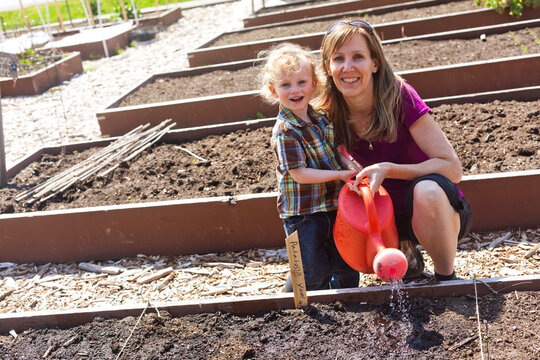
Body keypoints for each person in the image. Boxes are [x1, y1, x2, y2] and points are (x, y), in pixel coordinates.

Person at [317, 20, 472, 281]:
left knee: (426, 191)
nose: (348, 67)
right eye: (338, 59)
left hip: (435, 209)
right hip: (380, 217)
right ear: (328, 67)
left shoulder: (400, 96)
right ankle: (403, 250)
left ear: (375, 63)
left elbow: (452, 168)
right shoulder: (326, 111)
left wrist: (389, 170)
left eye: (358, 57)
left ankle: (446, 278)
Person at [258, 42, 360, 291]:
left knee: (346, 260)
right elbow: (300, 174)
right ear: (273, 91)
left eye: (301, 82)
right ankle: (295, 306)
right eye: (285, 85)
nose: (295, 90)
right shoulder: (285, 131)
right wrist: (340, 174)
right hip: (303, 213)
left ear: (314, 84)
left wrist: (349, 164)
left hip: (333, 204)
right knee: (309, 269)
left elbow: (336, 150)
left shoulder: (321, 118)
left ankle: (346, 299)